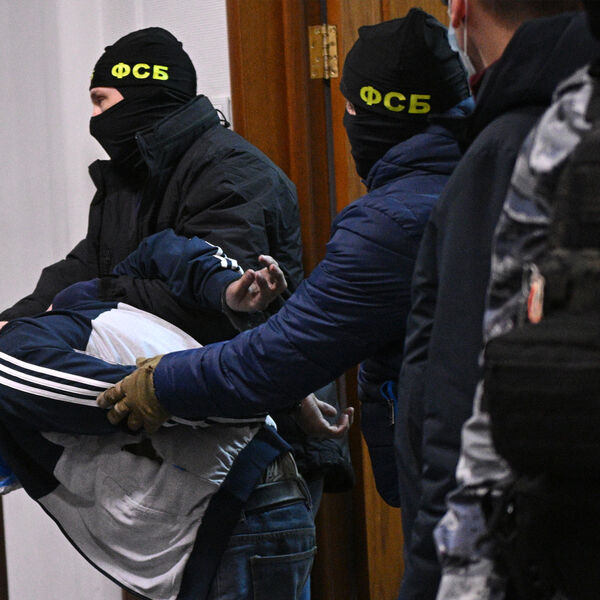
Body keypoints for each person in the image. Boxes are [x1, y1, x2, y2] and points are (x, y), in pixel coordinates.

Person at [95, 5, 470, 535]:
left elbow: (281, 355)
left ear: (377, 111)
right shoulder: (497, 169)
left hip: (454, 484)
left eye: (351, 106)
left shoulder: (390, 224)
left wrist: (160, 384)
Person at [0, 26, 353, 541]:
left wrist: (84, 304)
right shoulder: (132, 178)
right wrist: (20, 317)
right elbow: (87, 265)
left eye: (101, 100)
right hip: (193, 438)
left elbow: (217, 309)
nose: (94, 118)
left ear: (144, 93)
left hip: (264, 447)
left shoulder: (232, 173)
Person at [0, 229, 344, 600]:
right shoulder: (85, 301)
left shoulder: (12, 359)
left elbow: (141, 397)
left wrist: (271, 392)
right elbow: (164, 248)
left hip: (228, 513)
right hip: (258, 493)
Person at [391, 1, 599, 599]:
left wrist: (436, 576)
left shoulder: (513, 146)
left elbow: (465, 398)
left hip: (525, 548)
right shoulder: (556, 123)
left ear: (459, 9)